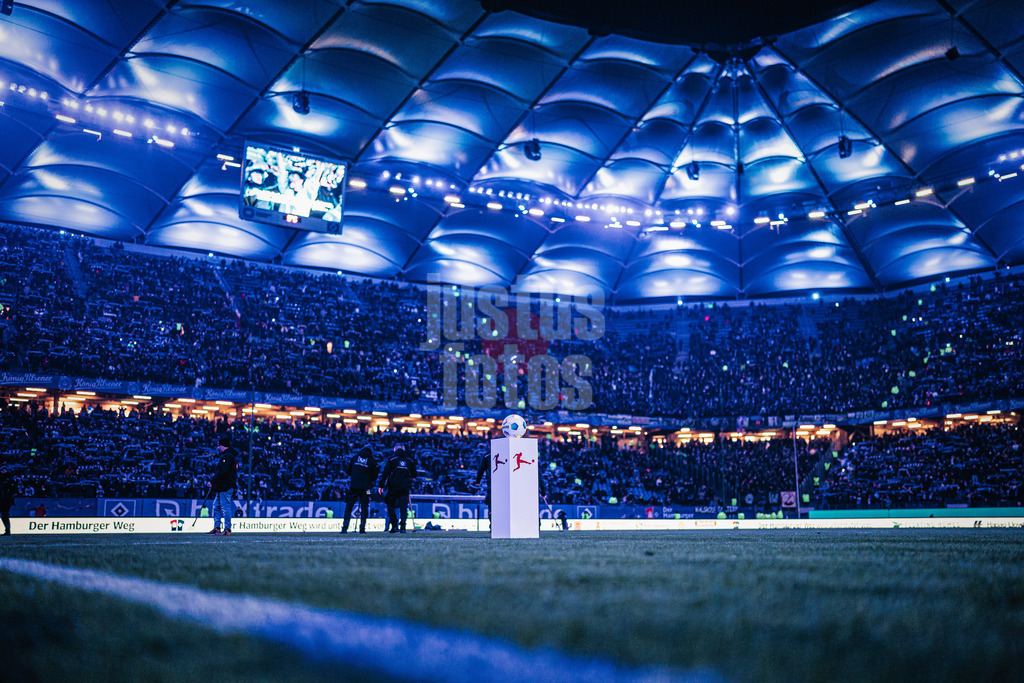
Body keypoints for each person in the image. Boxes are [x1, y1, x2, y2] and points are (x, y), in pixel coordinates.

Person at [379, 444, 417, 533]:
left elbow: (385, 473)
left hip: (393, 487)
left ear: (395, 450)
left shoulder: (392, 460)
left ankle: (394, 525)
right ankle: (403, 527)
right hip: (405, 487)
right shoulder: (410, 461)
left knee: (390, 505)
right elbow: (414, 475)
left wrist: (381, 485)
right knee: (403, 507)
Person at [341, 445, 378, 534]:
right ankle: (362, 528)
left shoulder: (355, 457)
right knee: (364, 508)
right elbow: (374, 476)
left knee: (349, 507)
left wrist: (355, 476)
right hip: (366, 487)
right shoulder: (372, 461)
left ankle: (344, 528)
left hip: (354, 486)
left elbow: (348, 471)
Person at [209, 435, 238, 536]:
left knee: (225, 508)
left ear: (224, 446)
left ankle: (227, 529)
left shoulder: (228, 456)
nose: (218, 447)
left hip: (225, 486)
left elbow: (222, 472)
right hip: (221, 486)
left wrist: (213, 481)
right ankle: (217, 527)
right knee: (216, 506)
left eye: (219, 445)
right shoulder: (227, 456)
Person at [0, 467, 15, 536]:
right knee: (5, 516)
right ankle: (7, 530)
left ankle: (7, 530)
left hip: (5, 500)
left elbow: (12, 490)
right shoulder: (9, 479)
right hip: (4, 500)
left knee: (5, 516)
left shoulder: (9, 479)